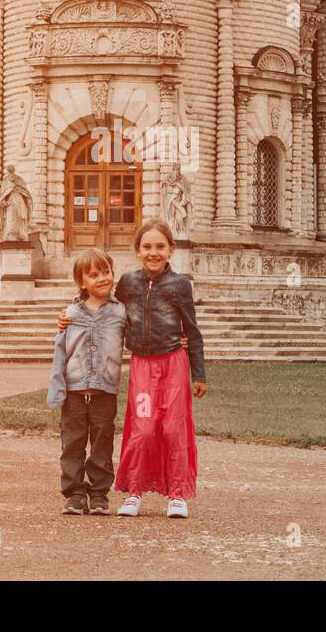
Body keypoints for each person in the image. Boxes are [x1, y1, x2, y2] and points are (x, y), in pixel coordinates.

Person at [58, 219, 208, 518]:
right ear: (138, 251)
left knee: (174, 428)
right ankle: (134, 491)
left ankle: (177, 494)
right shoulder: (128, 282)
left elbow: (192, 331)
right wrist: (70, 312)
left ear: (171, 250)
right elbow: (102, 301)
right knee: (142, 428)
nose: (153, 252)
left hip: (174, 365)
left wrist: (199, 373)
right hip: (141, 366)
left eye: (160, 247)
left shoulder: (180, 285)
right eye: (147, 247)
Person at [47, 248, 125, 515]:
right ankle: (75, 493)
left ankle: (100, 493)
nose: (102, 278)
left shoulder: (120, 312)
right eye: (94, 275)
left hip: (105, 389)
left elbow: (141, 337)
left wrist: (177, 340)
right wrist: (57, 390)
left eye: (106, 272)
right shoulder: (71, 313)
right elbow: (60, 353)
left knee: (103, 442)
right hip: (75, 390)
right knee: (72, 442)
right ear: (82, 282)